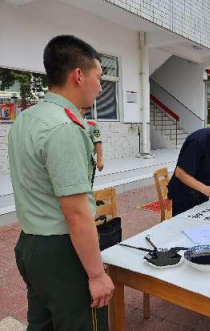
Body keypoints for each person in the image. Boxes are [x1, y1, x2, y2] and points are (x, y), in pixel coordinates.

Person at [8, 35, 113, 330]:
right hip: (63, 250)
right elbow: (76, 213)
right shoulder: (64, 127)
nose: (101, 86)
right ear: (79, 75)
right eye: (99, 77)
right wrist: (95, 274)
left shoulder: (27, 119)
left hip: (31, 244)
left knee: (42, 324)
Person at [79, 108, 104, 173]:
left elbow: (97, 143)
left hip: (87, 160)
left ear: (84, 110)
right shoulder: (69, 125)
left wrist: (99, 160)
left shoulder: (92, 125)